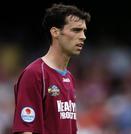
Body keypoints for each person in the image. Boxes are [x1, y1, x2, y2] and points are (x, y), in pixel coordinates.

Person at [12, 3, 91, 134]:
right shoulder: (35, 73)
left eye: (84, 31)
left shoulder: (69, 77)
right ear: (55, 32)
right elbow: (25, 130)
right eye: (76, 30)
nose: (83, 36)